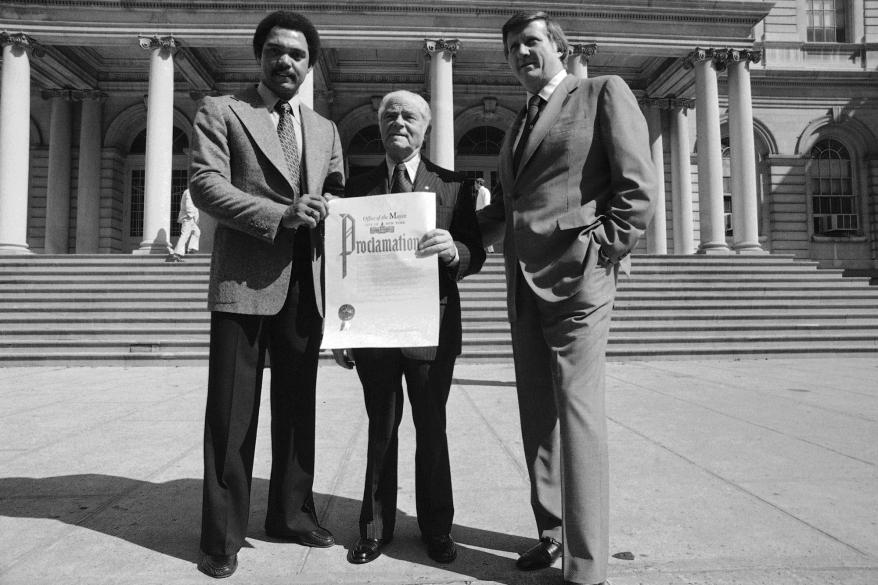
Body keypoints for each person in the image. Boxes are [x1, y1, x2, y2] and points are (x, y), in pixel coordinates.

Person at [477, 11, 656, 585]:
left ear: (558, 46)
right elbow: (511, 209)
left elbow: (637, 186)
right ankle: (552, 533)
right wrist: (441, 235)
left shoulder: (602, 91)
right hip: (523, 284)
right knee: (538, 416)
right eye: (511, 48)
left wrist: (605, 247)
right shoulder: (516, 125)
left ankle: (586, 566)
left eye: (531, 42)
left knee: (577, 415)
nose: (521, 54)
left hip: (579, 278)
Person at [188, 10, 344, 579]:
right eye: (276, 51)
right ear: (260, 57)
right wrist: (282, 215)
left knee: (299, 410)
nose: (286, 61)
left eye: (298, 55)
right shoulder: (223, 111)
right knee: (231, 414)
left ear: (310, 65)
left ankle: (290, 515)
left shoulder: (324, 129)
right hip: (243, 282)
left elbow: (339, 196)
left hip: (308, 286)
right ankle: (221, 536)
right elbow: (206, 185)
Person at [332, 90, 485, 566]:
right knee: (381, 426)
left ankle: (437, 529)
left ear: (426, 127)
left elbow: (475, 252)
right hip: (374, 330)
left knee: (432, 428)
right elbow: (338, 262)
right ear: (380, 126)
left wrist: (454, 249)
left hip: (431, 326)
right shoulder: (354, 189)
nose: (400, 122)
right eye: (391, 115)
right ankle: (375, 528)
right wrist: (340, 329)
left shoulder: (455, 186)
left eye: (411, 116)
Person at [166, 188, 200, 262]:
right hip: (188, 217)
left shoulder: (192, 191)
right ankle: (176, 254)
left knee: (196, 232)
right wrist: (191, 215)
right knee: (185, 235)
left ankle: (191, 249)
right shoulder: (189, 192)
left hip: (191, 217)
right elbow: (189, 204)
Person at [473, 178, 494, 252]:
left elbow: (486, 204)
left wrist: (484, 214)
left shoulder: (484, 191)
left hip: (483, 213)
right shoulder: (480, 191)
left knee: (483, 231)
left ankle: (489, 250)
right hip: (480, 213)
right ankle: (490, 250)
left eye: (475, 184)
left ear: (478, 184)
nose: (474, 185)